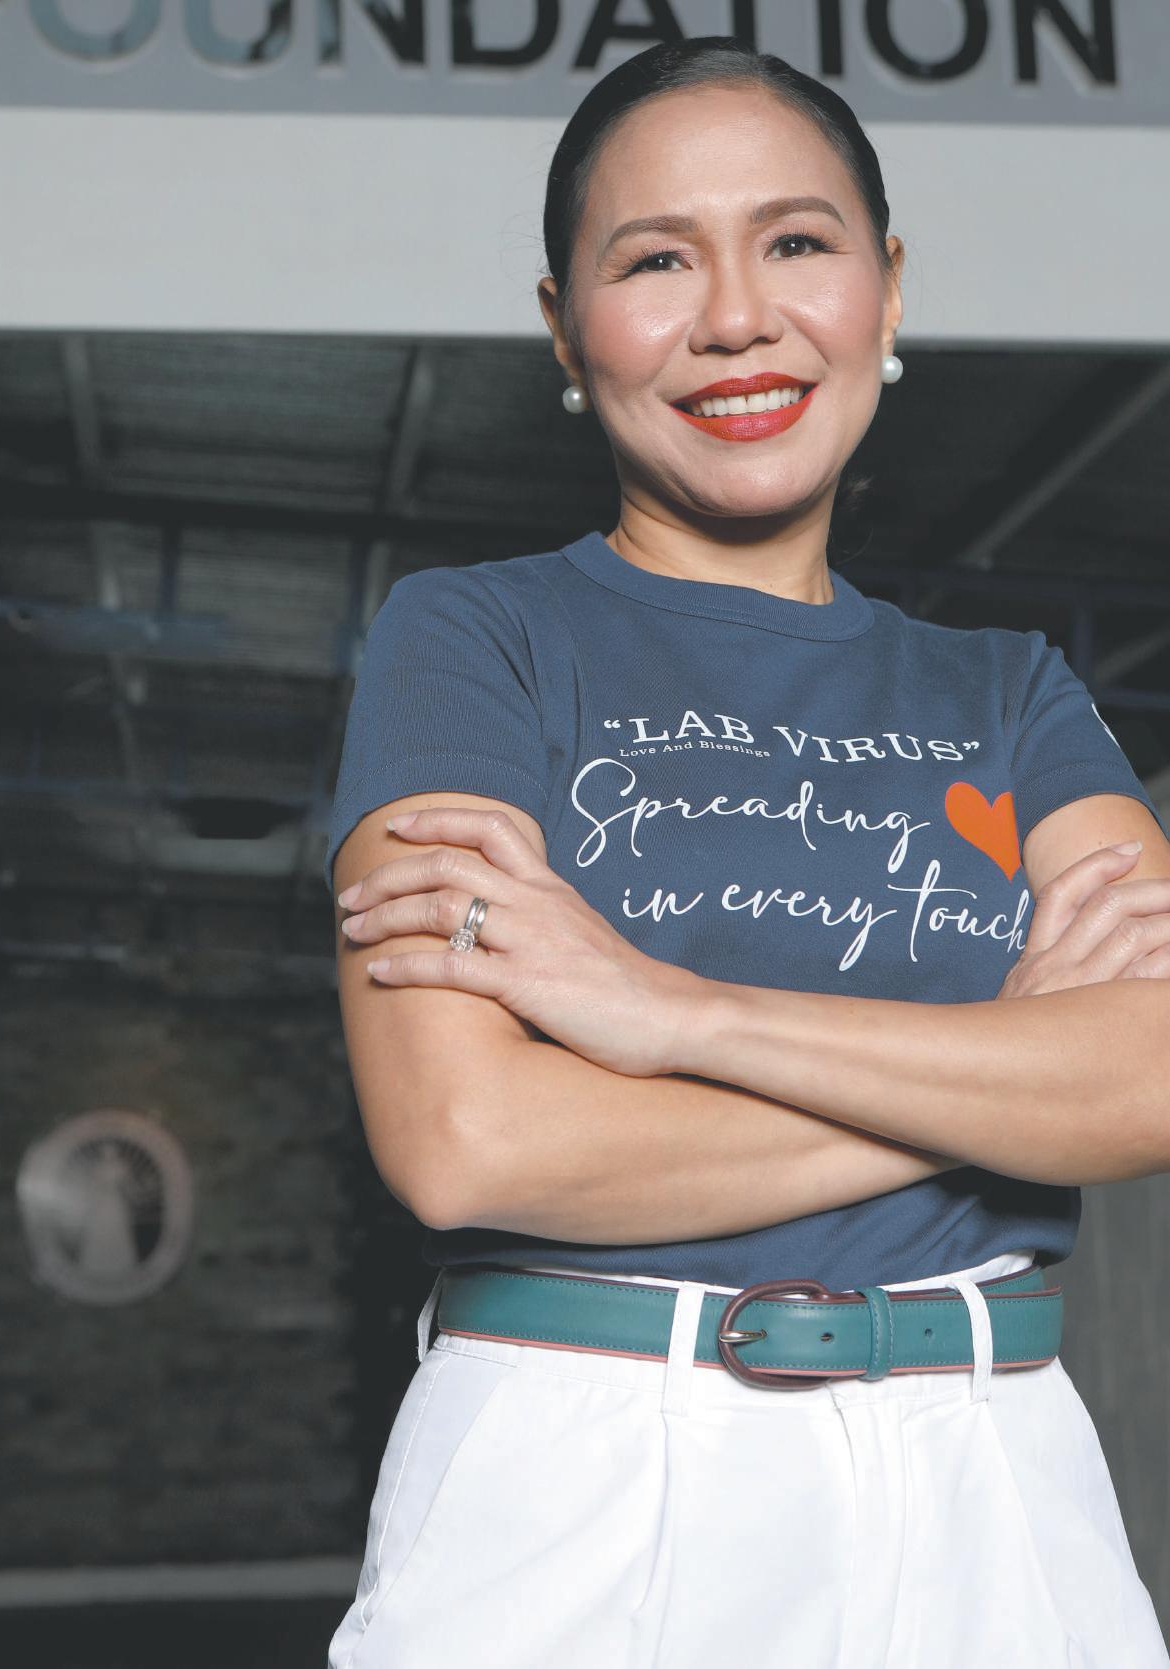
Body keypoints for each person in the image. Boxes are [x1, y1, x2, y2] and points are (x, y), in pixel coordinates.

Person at [323, 35, 1170, 1668]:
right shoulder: (473, 640)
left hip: (996, 1474)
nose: (734, 318)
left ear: (886, 287)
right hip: (583, 1469)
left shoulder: (1009, 694)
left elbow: (1149, 1074)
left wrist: (672, 1015)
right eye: (654, 261)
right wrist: (998, 1079)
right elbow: (467, 1137)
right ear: (563, 324)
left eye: (794, 241)